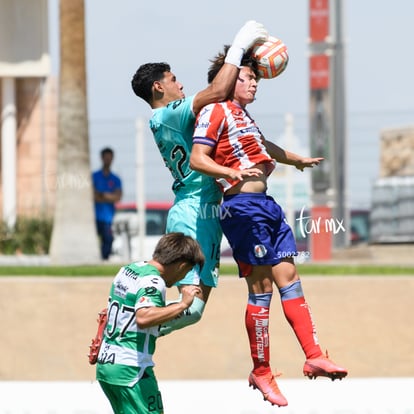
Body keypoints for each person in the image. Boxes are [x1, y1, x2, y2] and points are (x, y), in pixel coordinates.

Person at [190, 47, 348, 407]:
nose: (256, 83)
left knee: (289, 277)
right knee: (261, 287)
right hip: (242, 208)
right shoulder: (214, 110)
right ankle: (261, 369)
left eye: (257, 77)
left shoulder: (242, 115)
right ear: (229, 80)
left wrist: (296, 160)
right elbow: (199, 158)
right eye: (248, 77)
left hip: (267, 206)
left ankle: (313, 355)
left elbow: (265, 147)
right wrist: (229, 172)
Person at [130, 21, 268, 335]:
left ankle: (126, 322)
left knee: (192, 311)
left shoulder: (166, 118)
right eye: (173, 79)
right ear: (158, 88)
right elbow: (218, 91)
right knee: (190, 308)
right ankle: (125, 323)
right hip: (193, 213)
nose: (181, 85)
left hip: (200, 210)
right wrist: (239, 45)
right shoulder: (169, 112)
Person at [96, 232, 204, 414]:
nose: (181, 279)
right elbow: (144, 317)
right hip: (132, 371)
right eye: (185, 272)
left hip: (107, 366)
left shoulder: (128, 270)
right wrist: (183, 304)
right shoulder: (153, 281)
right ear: (181, 266)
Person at [92, 147, 123, 260]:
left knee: (108, 240)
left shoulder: (115, 179)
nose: (108, 160)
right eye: (106, 158)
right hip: (94, 216)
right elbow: (92, 195)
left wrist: (102, 195)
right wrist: (110, 196)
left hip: (108, 217)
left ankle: (103, 260)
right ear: (101, 158)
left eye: (110, 158)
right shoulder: (94, 176)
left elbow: (118, 197)